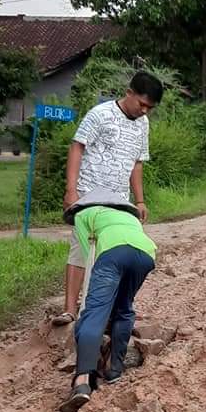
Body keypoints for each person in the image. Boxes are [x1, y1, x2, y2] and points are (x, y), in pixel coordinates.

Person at [53, 70, 163, 326]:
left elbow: (137, 163)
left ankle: (106, 309)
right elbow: (77, 147)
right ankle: (69, 309)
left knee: (114, 252)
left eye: (150, 107)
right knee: (80, 250)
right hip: (89, 195)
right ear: (129, 93)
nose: (145, 111)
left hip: (119, 201)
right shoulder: (100, 114)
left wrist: (140, 200)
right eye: (142, 104)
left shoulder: (143, 124)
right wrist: (71, 190)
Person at [60, 191, 157, 412]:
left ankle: (82, 380)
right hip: (146, 254)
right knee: (123, 309)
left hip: (112, 255)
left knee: (93, 313)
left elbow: (88, 256)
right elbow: (131, 244)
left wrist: (92, 300)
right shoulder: (129, 217)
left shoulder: (84, 215)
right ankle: (115, 370)